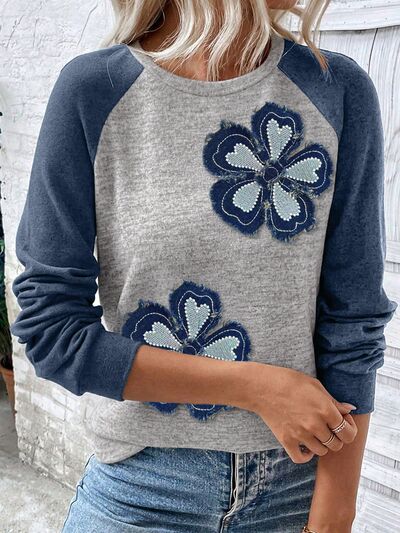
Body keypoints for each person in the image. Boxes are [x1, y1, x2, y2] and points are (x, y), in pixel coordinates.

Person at [11, 0, 397, 531]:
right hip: (140, 487)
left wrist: (335, 512)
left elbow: (354, 318)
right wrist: (255, 387)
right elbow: (51, 331)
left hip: (298, 487)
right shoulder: (94, 91)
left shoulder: (335, 89)